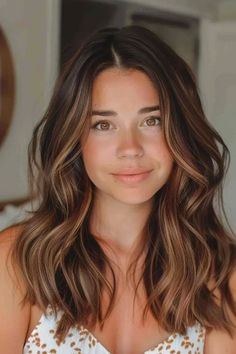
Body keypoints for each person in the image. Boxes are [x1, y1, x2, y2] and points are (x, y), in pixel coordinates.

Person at [0, 25, 236, 354]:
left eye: (151, 121)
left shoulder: (221, 274)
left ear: (180, 131)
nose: (130, 148)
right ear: (75, 140)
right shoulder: (15, 261)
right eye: (103, 125)